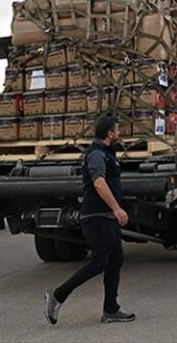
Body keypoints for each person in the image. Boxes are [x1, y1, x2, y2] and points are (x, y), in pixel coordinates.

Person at [46, 116, 135, 325]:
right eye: (117, 129)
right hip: (97, 216)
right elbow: (99, 183)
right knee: (99, 261)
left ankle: (111, 309)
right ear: (109, 133)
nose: (120, 132)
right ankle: (58, 295)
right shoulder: (96, 154)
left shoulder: (106, 153)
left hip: (106, 216)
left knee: (115, 260)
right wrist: (117, 209)